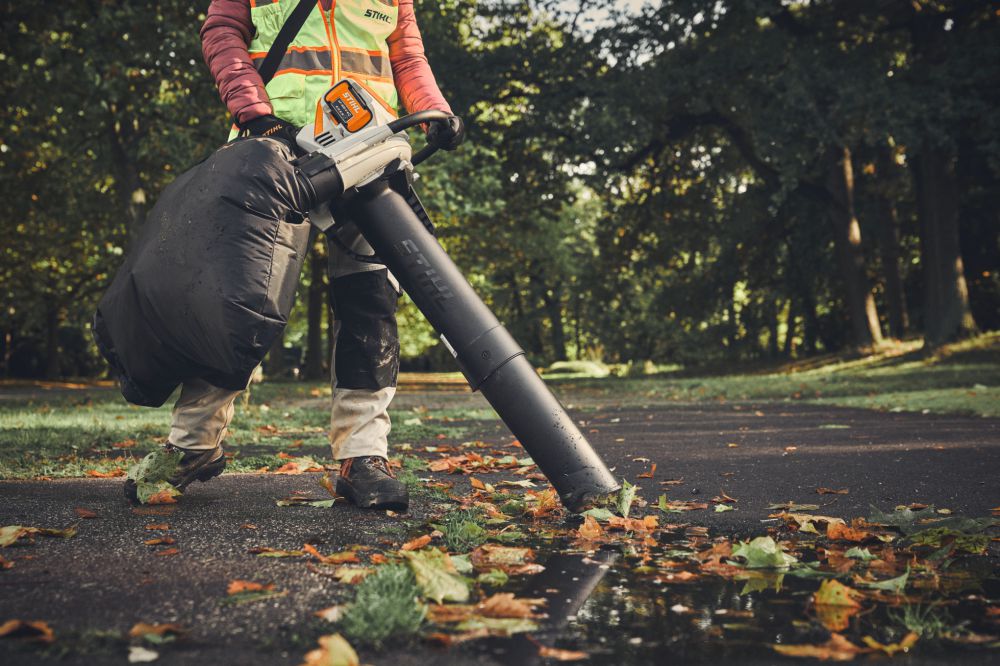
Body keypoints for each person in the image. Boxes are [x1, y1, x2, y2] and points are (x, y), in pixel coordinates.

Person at [124, 0, 464, 511]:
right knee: (232, 299)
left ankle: (363, 455)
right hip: (271, 151)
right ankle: (193, 443)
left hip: (367, 149)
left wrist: (433, 109)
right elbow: (222, 34)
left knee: (370, 301)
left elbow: (406, 55)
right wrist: (255, 113)